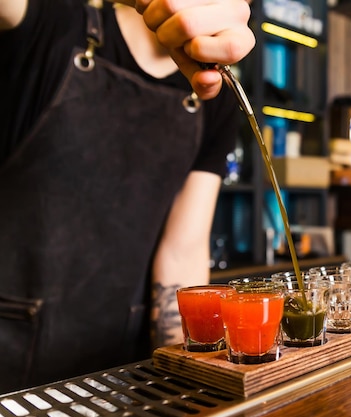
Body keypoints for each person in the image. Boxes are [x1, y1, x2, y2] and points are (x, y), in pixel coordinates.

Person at [0, 0, 255, 393]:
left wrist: (183, 386)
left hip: (119, 368)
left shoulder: (214, 97)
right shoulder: (53, 21)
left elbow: (182, 253)